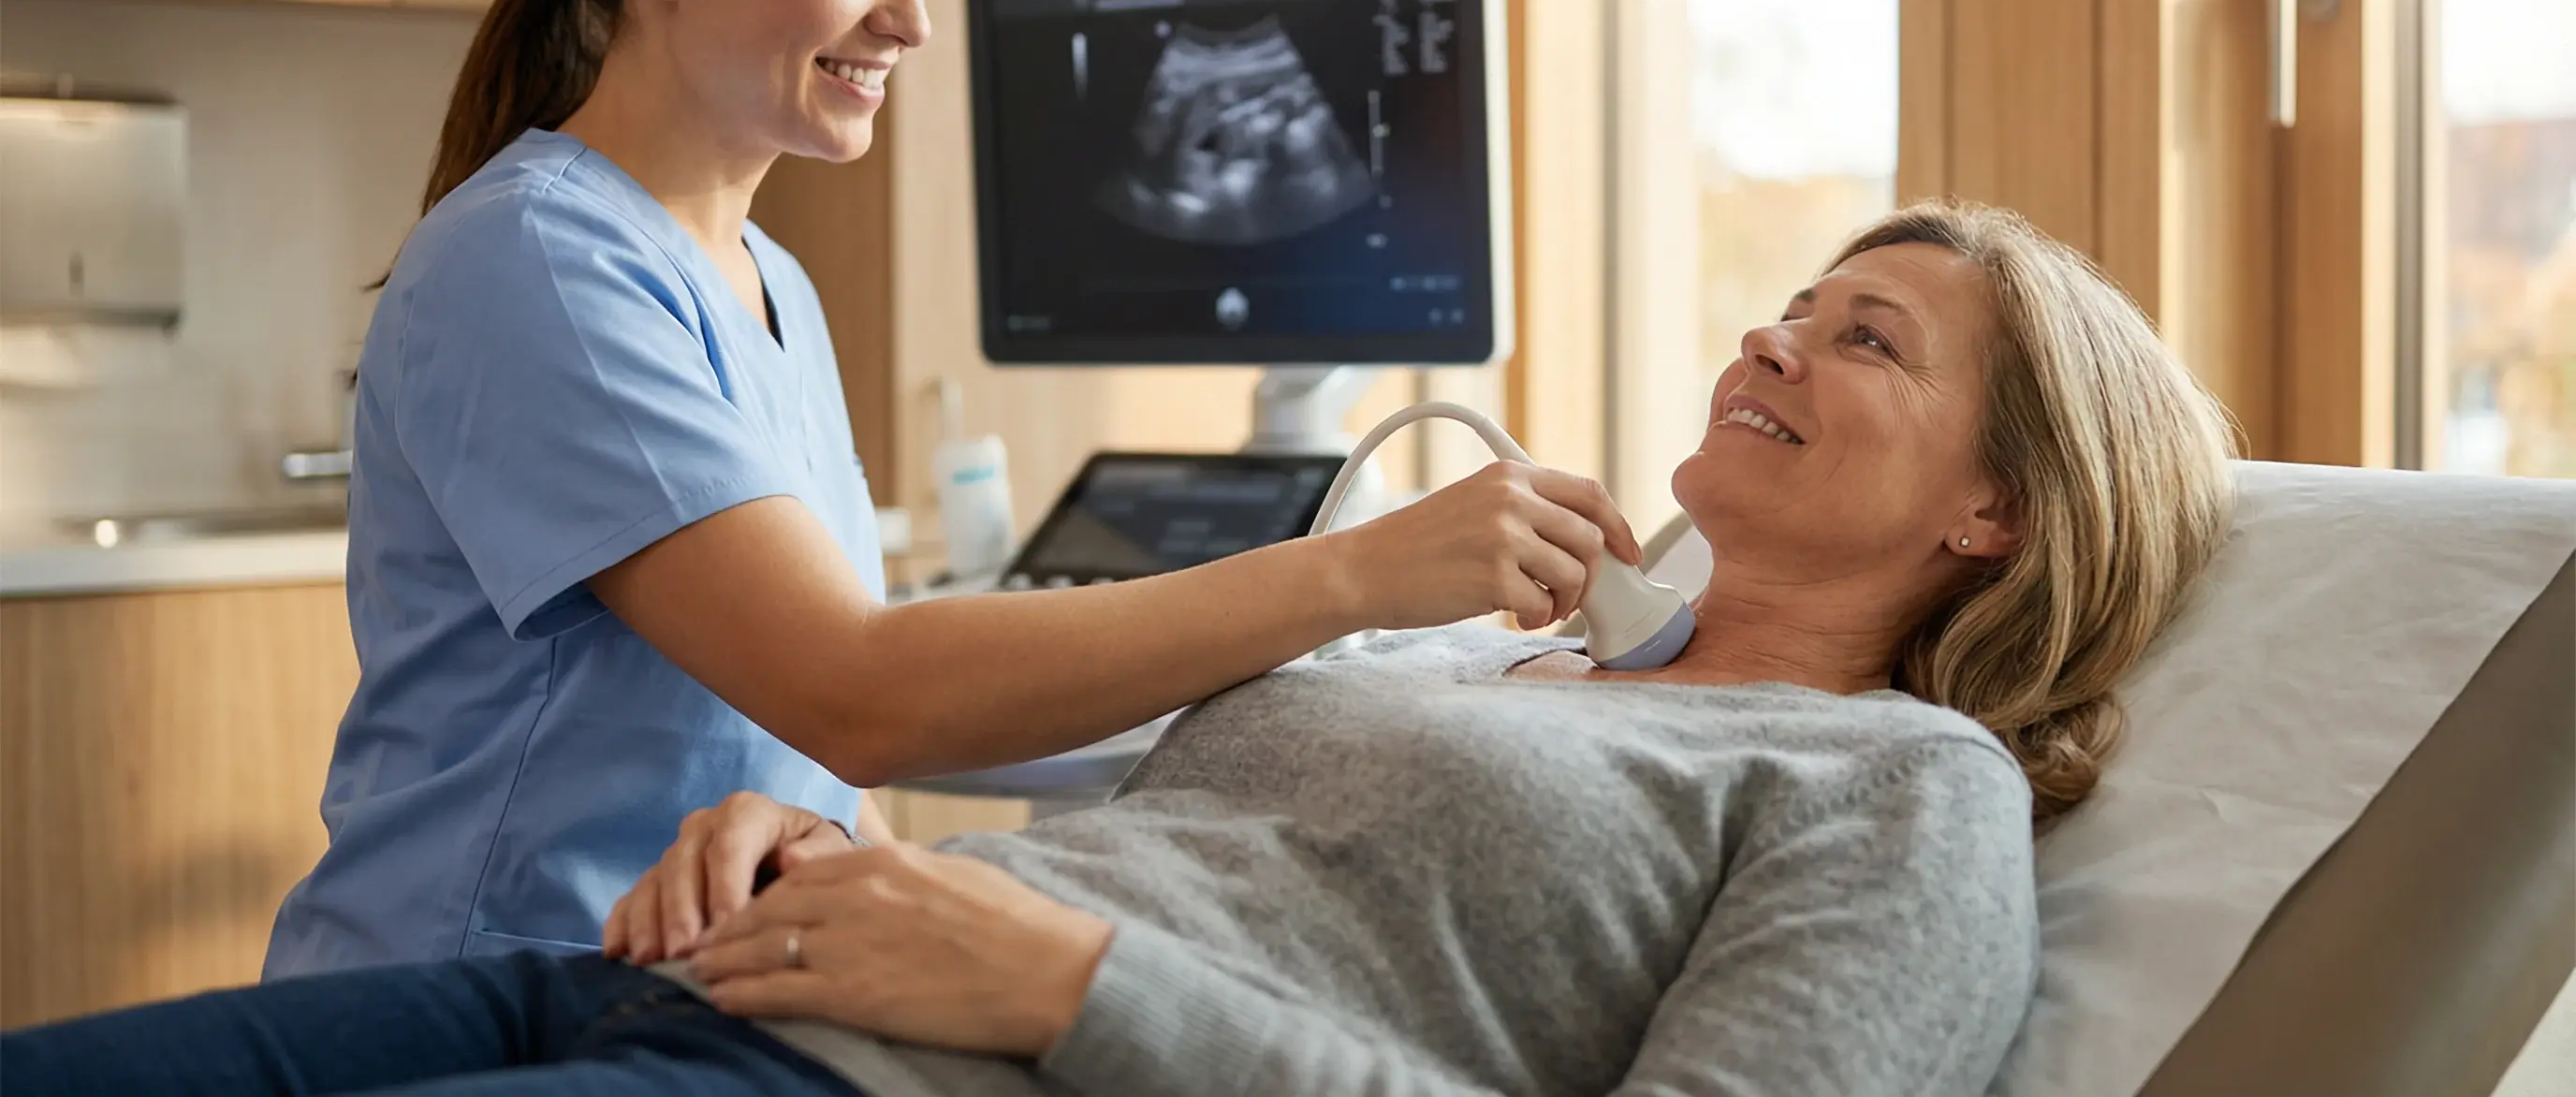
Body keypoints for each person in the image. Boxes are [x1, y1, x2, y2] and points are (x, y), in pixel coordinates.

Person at [6, 201, 2241, 1096]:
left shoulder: (1896, 789)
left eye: (1860, 338)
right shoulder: (1482, 668)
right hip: (681, 975)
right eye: (1790, 296)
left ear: (1994, 513)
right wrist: (779, 840)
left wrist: (1065, 989)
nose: (1774, 333)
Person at [261, 0, 1643, 977]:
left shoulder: (767, 284)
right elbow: (857, 692)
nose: (910, 19)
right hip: (491, 996)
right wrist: (1351, 575)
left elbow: (824, 707)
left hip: (701, 986)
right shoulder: (537, 261)